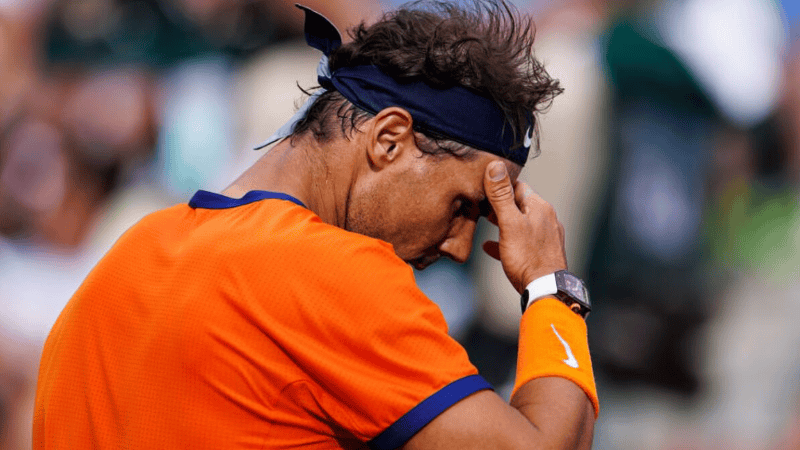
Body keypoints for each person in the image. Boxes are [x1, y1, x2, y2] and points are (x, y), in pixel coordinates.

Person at [33, 1, 598, 449]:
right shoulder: (328, 272)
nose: (459, 246)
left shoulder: (128, 252)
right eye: (462, 207)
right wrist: (551, 288)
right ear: (388, 140)